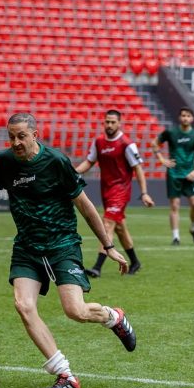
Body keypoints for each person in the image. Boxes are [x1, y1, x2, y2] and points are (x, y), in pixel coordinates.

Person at [0, 112, 137, 388]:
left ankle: (113, 317)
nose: (16, 142)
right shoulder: (4, 162)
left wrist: (108, 246)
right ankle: (65, 375)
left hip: (61, 244)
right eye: (11, 136)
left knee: (75, 311)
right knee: (23, 306)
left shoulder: (56, 161)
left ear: (35, 135)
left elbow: (84, 206)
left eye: (21, 136)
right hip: (27, 247)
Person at [75, 109, 155, 277]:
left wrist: (145, 193)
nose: (109, 125)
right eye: (107, 122)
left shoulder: (126, 144)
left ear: (119, 123)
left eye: (113, 122)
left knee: (107, 224)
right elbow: (89, 162)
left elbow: (138, 169)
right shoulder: (98, 142)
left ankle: (97, 267)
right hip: (106, 191)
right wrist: (73, 173)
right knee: (119, 228)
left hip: (121, 191)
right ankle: (135, 262)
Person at [151, 106, 194, 245]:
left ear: (192, 118)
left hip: (189, 175)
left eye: (188, 115)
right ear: (179, 117)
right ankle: (176, 237)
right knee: (175, 206)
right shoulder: (171, 132)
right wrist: (162, 160)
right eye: (183, 115)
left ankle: (193, 229)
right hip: (173, 174)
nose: (185, 118)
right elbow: (154, 144)